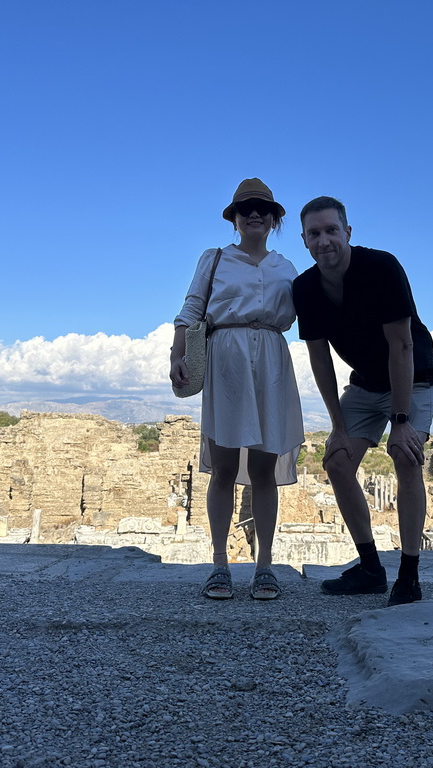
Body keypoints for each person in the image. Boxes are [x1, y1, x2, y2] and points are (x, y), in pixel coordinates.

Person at [293, 196, 433, 606]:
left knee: (406, 456)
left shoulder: (381, 268)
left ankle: (408, 575)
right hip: (364, 384)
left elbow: (402, 345)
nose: (323, 241)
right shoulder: (305, 287)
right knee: (337, 462)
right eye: (314, 233)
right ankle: (371, 567)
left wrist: (401, 420)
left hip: (413, 376)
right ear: (304, 240)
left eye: (330, 230)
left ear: (348, 232)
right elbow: (320, 360)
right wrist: (337, 427)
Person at [171, 178, 304, 601]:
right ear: (234, 216)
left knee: (263, 470)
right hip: (226, 358)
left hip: (270, 360)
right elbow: (192, 309)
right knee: (225, 468)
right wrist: (177, 355)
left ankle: (264, 565)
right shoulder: (214, 260)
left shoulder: (286, 268)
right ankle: (219, 564)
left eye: (263, 209)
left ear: (274, 218)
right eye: (245, 207)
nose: (254, 214)